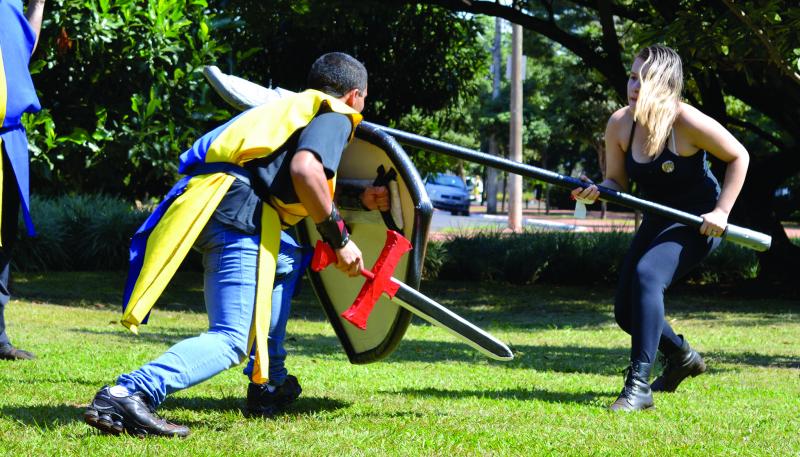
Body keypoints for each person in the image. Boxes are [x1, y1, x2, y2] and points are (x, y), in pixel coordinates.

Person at [84, 52, 388, 437]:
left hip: (220, 201)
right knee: (231, 339)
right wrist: (339, 238)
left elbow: (280, 172)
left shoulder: (293, 107)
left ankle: (269, 385)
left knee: (282, 269)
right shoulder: (335, 114)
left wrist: (358, 198)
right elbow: (305, 170)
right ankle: (129, 392)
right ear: (355, 95)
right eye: (363, 101)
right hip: (242, 214)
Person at [571, 44, 749, 411]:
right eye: (632, 77)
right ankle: (682, 356)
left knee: (647, 276)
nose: (634, 86)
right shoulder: (621, 123)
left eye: (645, 79)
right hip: (658, 219)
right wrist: (595, 193)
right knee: (626, 312)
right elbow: (616, 182)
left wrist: (722, 212)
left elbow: (738, 156)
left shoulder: (685, 122)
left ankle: (638, 387)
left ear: (665, 84)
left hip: (697, 222)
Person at [0, 0, 46, 361]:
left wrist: (39, 3)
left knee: (3, 241)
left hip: (9, 141)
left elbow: (23, 48)